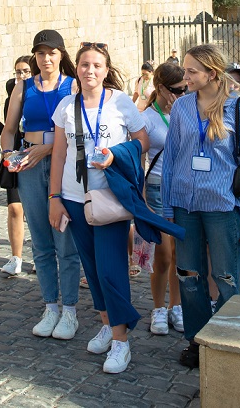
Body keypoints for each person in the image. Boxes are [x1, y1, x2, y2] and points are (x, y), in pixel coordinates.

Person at [48, 42, 177, 374]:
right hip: (74, 198)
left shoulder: (120, 102)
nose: (90, 70)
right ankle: (108, 323)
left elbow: (143, 141)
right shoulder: (66, 106)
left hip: (110, 198)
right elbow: (59, 154)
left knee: (111, 269)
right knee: (92, 270)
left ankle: (121, 341)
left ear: (106, 70)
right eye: (84, 64)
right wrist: (54, 198)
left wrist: (115, 154)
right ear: (76, 68)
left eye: (97, 65)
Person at [160, 44, 240, 369]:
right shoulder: (181, 107)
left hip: (222, 205)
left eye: (192, 71)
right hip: (185, 205)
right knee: (189, 275)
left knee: (225, 276)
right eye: (185, 70)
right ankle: (197, 339)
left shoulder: (237, 107)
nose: (185, 76)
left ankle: (225, 338)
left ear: (212, 73)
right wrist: (167, 206)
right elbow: (171, 158)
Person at [0, 30, 81, 340]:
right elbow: (9, 130)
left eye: (52, 53)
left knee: (65, 239)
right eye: (41, 53)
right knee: (41, 241)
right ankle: (50, 306)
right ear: (35, 56)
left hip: (63, 164)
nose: (46, 58)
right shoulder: (23, 87)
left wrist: (47, 149)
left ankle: (70, 309)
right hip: (30, 167)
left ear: (61, 55)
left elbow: (78, 131)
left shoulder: (72, 85)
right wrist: (9, 155)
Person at [140, 61, 188, 335]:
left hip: (183, 188)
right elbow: (140, 160)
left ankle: (176, 305)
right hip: (157, 187)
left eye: (185, 89)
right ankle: (158, 307)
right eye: (177, 90)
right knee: (163, 253)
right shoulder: (147, 118)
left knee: (181, 252)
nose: (182, 94)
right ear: (160, 88)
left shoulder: (187, 111)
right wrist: (142, 196)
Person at [0, 56, 34, 276]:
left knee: (38, 211)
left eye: (26, 71)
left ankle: (42, 254)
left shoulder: (38, 95)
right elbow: (9, 129)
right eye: (18, 71)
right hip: (14, 156)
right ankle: (16, 257)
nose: (21, 76)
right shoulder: (12, 96)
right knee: (14, 207)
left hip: (34, 155)